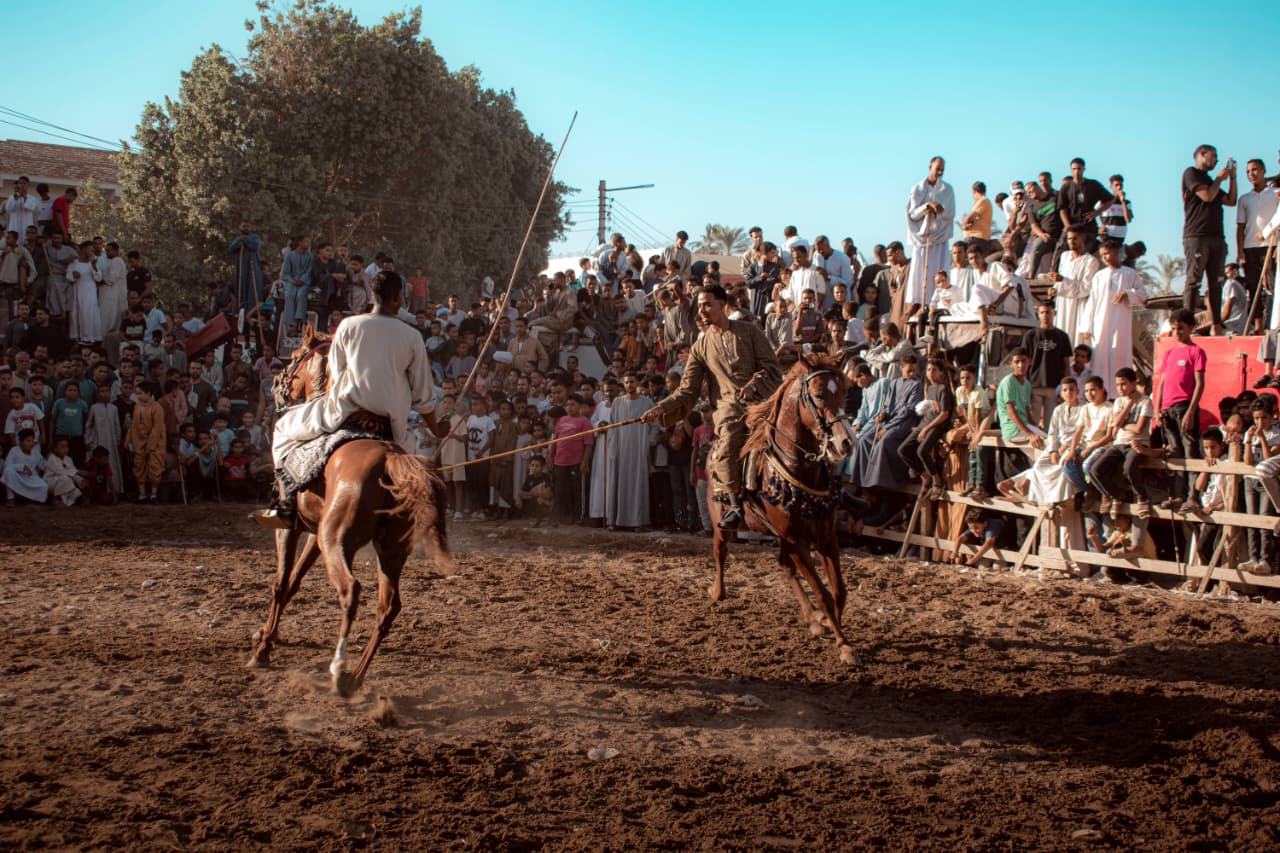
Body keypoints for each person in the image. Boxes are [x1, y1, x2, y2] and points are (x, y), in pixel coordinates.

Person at [262, 270, 436, 526]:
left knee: (282, 428)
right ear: (399, 298)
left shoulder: (348, 326)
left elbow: (336, 374)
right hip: (390, 426)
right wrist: (437, 426)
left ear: (372, 295)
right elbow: (423, 395)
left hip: (344, 413)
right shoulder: (412, 336)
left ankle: (286, 502)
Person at [642, 284, 782, 530]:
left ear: (722, 305)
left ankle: (829, 489)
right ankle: (735, 505)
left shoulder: (749, 331)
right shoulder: (700, 347)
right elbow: (687, 389)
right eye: (700, 305)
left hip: (764, 401)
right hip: (729, 408)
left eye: (708, 304)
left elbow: (771, 366)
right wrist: (661, 408)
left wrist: (753, 384)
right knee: (727, 445)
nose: (703, 310)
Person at [1181, 144, 1238, 334]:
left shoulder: (1210, 180)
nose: (1215, 161)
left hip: (1217, 236)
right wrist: (1220, 179)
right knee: (1194, 280)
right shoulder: (1191, 174)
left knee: (1216, 282)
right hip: (1197, 235)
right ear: (1201, 154)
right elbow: (1206, 195)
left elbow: (1230, 200)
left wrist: (1233, 178)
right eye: (1213, 157)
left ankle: (1216, 323)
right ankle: (1186, 322)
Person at [1080, 240, 1147, 396]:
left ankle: (1119, 395)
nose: (1105, 257)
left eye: (1108, 253)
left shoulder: (1130, 274)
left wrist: (1127, 294)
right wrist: (1087, 326)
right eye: (1102, 255)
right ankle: (1101, 394)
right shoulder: (1099, 276)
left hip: (1120, 324)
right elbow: (1093, 301)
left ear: (1117, 253)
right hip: (1100, 324)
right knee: (1101, 358)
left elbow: (1142, 295)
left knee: (1119, 355)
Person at [904, 157, 955, 321]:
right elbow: (912, 213)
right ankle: (919, 304)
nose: (940, 172)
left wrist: (939, 209)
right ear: (930, 167)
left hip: (939, 238)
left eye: (943, 169)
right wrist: (927, 207)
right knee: (920, 273)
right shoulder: (918, 189)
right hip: (923, 238)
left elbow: (950, 212)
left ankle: (935, 304)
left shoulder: (947, 189)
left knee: (939, 270)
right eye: (937, 168)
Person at [605, 373, 655, 530]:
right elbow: (612, 426)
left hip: (639, 451)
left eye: (632, 382)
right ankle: (614, 521)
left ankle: (637, 522)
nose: (629, 385)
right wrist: (613, 449)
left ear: (637, 383)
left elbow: (655, 426)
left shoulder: (647, 402)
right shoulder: (618, 403)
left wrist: (648, 443)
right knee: (617, 483)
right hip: (620, 450)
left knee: (637, 485)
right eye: (626, 382)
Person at [1021, 302, 1072, 430]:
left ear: (1054, 313)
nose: (1045, 315)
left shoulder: (1062, 336)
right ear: (1038, 314)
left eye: (1048, 312)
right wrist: (1024, 384)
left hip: (1054, 386)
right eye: (1042, 312)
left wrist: (1065, 385)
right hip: (1034, 384)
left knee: (1051, 426)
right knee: (1033, 424)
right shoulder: (1030, 335)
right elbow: (1023, 361)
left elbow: (1066, 363)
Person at [127, 380, 166, 503]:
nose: (138, 396)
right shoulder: (137, 406)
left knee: (155, 466)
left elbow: (157, 428)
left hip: (155, 443)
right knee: (139, 466)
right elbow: (133, 424)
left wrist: (151, 444)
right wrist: (129, 439)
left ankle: (153, 494)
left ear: (149, 393)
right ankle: (142, 494)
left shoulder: (157, 408)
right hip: (139, 440)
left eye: (141, 393)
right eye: (137, 393)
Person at [2, 428, 46, 505]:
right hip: (17, 477)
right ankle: (10, 499)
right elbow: (7, 465)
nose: (31, 443)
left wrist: (49, 461)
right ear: (21, 442)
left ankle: (28, 498)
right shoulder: (14, 450)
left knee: (44, 486)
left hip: (30, 479)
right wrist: (22, 466)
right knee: (8, 471)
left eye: (32, 441)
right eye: (28, 441)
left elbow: (43, 466)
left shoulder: (35, 453)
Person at [228, 222, 264, 310]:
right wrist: (239, 240)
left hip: (252, 267)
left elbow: (255, 246)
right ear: (240, 227)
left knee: (253, 289)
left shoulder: (255, 237)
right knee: (241, 289)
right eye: (244, 226)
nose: (246, 228)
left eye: (248, 226)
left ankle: (253, 310)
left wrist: (245, 240)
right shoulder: (238, 239)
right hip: (241, 270)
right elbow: (230, 249)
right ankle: (241, 310)